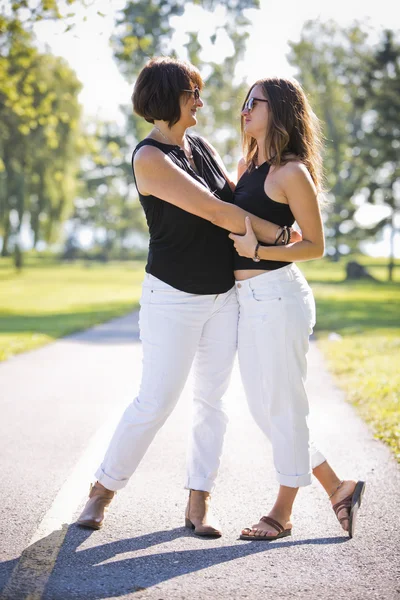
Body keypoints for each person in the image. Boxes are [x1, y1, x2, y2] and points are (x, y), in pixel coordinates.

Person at [77, 58, 299, 536]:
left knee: (212, 402)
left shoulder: (200, 146)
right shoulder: (149, 158)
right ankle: (102, 491)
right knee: (155, 401)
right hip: (172, 297)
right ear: (167, 98)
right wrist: (282, 234)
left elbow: (235, 199)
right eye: (191, 93)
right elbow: (217, 213)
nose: (200, 101)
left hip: (222, 296)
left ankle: (199, 503)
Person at [228, 77, 365, 540]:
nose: (244, 110)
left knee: (284, 407)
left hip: (279, 296)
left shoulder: (291, 172)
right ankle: (337, 486)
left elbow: (315, 246)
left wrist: (258, 251)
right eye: (244, 103)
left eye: (254, 103)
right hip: (249, 301)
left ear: (280, 109)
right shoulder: (247, 165)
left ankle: (282, 512)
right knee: (263, 410)